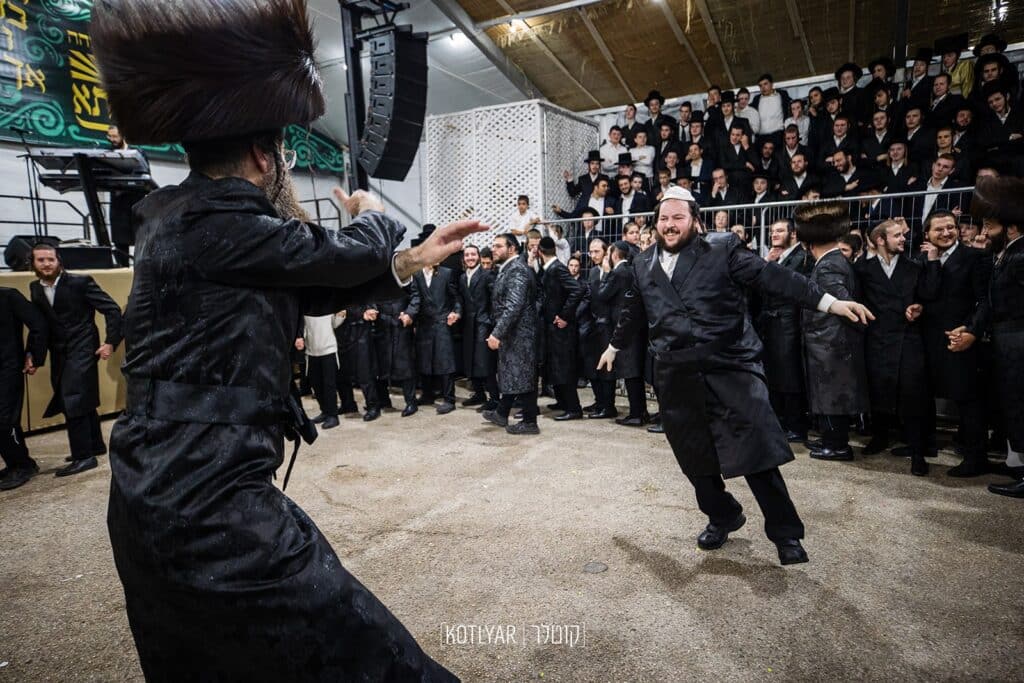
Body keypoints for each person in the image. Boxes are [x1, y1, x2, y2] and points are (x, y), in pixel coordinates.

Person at [92, 0, 480, 677]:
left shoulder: (167, 219)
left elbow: (306, 281)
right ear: (260, 155)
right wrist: (375, 215)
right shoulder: (228, 222)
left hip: (145, 503)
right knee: (380, 659)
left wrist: (410, 262)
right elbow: (338, 251)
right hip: (216, 511)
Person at [599, 187, 872, 565]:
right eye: (663, 218)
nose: (669, 225)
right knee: (695, 460)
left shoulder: (723, 248)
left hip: (730, 366)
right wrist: (614, 346)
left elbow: (773, 277)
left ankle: (786, 533)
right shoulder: (643, 263)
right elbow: (633, 309)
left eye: (678, 217)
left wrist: (830, 302)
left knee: (756, 454)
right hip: (676, 373)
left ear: (695, 220)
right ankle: (723, 515)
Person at [29, 243, 123, 477]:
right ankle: (95, 445)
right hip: (58, 352)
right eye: (41, 260)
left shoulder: (81, 282)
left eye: (50, 259)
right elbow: (39, 325)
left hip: (82, 347)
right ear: (33, 263)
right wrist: (33, 355)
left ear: (58, 260)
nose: (46, 264)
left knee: (73, 398)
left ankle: (84, 457)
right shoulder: (35, 288)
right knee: (75, 397)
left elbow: (111, 309)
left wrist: (110, 341)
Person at [959, 177, 1024, 497]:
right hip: (1007, 343)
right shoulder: (1007, 254)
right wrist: (972, 328)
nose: (983, 233)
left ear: (1010, 228)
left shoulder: (1020, 256)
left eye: (989, 227)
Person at [916, 211, 992, 476]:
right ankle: (923, 449)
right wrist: (933, 263)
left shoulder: (976, 257)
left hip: (961, 340)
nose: (946, 233)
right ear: (927, 234)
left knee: (968, 401)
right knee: (925, 395)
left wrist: (971, 332)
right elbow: (926, 294)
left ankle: (975, 458)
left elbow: (984, 301)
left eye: (951, 227)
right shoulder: (924, 260)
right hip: (930, 341)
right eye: (939, 230)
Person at [855, 219, 933, 476]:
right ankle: (880, 438)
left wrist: (918, 307)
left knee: (912, 394)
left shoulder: (914, 266)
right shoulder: (862, 269)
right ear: (880, 240)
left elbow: (927, 296)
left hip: (907, 337)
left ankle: (918, 451)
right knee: (878, 390)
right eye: (897, 235)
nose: (903, 239)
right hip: (876, 338)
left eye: (903, 235)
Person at [798, 202, 871, 462]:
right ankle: (832, 440)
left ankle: (837, 445)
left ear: (808, 243)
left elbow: (841, 303)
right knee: (831, 395)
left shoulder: (828, 266)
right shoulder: (838, 260)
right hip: (833, 341)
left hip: (829, 342)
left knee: (830, 395)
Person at [755, 219, 812, 442]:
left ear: (793, 234)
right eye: (771, 231)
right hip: (772, 323)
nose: (774, 235)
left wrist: (769, 266)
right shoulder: (777, 256)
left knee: (790, 376)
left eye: (779, 231)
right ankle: (781, 422)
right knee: (777, 375)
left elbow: (786, 287)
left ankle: (796, 426)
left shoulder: (801, 257)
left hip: (788, 323)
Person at [483, 234, 540, 435]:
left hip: (519, 334)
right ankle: (501, 412)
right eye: (493, 245)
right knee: (514, 375)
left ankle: (530, 422)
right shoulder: (510, 268)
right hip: (514, 333)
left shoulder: (517, 270)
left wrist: (497, 334)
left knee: (523, 376)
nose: (493, 249)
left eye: (498, 246)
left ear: (512, 248)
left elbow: (513, 307)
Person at [0, 286, 47, 491]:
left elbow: (38, 324)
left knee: (4, 421)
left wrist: (33, 354)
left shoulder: (8, 295)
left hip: (7, 369)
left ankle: (23, 465)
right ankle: (15, 463)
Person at [538, 237, 584, 420]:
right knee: (556, 366)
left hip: (561, 328)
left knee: (563, 367)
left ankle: (574, 408)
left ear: (540, 252)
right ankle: (562, 402)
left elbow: (577, 289)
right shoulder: (550, 268)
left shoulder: (557, 268)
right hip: (552, 327)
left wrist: (565, 315)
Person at [411, 264, 460, 414]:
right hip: (424, 325)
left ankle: (449, 399)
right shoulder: (417, 274)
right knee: (425, 361)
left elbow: (456, 298)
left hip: (442, 323)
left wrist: (456, 312)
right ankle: (427, 395)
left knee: (445, 362)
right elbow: (415, 297)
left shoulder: (447, 273)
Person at [457, 245, 498, 411]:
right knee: (471, 361)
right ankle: (479, 394)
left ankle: (494, 399)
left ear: (479, 257)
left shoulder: (487, 274)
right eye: (467, 255)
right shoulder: (461, 277)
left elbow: (495, 299)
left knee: (485, 363)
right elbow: (460, 300)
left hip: (483, 323)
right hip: (468, 325)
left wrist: (491, 321)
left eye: (473, 254)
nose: (470, 257)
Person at [106, 125, 153, 266]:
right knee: (120, 242)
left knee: (140, 240)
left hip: (135, 203)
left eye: (115, 136)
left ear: (123, 136)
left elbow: (146, 177)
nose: (112, 140)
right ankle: (122, 272)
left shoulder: (137, 153)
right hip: (118, 204)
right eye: (110, 136)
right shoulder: (107, 154)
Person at [372, 285, 421, 417]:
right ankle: (383, 400)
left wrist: (409, 313)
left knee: (405, 366)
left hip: (401, 325)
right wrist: (372, 309)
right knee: (381, 366)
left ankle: (411, 402)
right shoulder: (377, 274)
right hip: (381, 325)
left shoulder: (405, 275)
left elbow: (416, 297)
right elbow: (369, 297)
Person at [299, 314, 340, 429]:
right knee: (316, 384)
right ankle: (325, 411)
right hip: (311, 350)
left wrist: (341, 315)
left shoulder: (329, 303)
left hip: (328, 349)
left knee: (329, 385)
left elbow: (335, 323)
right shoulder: (306, 306)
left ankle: (333, 415)